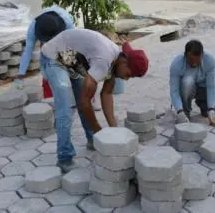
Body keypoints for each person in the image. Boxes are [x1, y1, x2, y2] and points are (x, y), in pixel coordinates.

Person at [40, 28, 148, 172]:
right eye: (129, 74)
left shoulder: (115, 60)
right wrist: (99, 131)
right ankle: (64, 158)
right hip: (54, 58)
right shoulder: (104, 60)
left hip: (71, 60)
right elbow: (84, 103)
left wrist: (114, 131)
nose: (126, 78)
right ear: (124, 62)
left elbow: (107, 94)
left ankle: (93, 140)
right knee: (67, 107)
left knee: (84, 98)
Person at [14, 5, 101, 110]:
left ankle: (89, 98)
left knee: (75, 68)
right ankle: (51, 101)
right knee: (48, 69)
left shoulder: (67, 23)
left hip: (64, 42)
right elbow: (28, 51)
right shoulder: (34, 28)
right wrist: (21, 73)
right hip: (46, 40)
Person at [169, 39, 215, 127]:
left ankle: (205, 107)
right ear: (185, 55)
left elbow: (211, 86)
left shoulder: (209, 60)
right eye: (191, 59)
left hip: (203, 87)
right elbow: (174, 91)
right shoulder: (177, 64)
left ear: (202, 55)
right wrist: (179, 111)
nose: (194, 63)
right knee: (187, 82)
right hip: (187, 89)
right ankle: (186, 111)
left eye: (197, 60)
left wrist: (211, 108)